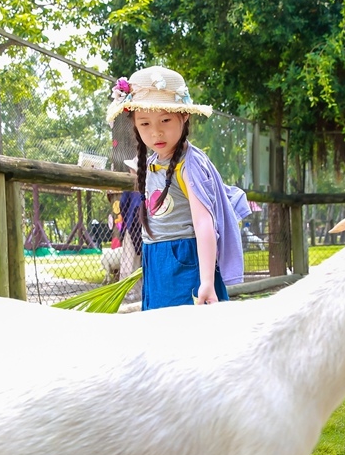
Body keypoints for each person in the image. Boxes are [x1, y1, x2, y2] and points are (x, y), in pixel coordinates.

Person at [106, 65, 250, 310]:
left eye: (165, 119)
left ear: (184, 116)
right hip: (156, 259)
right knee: (160, 333)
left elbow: (204, 223)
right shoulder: (152, 163)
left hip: (184, 261)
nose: (156, 132)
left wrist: (206, 281)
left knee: (187, 336)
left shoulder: (189, 165)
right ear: (135, 125)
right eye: (145, 124)